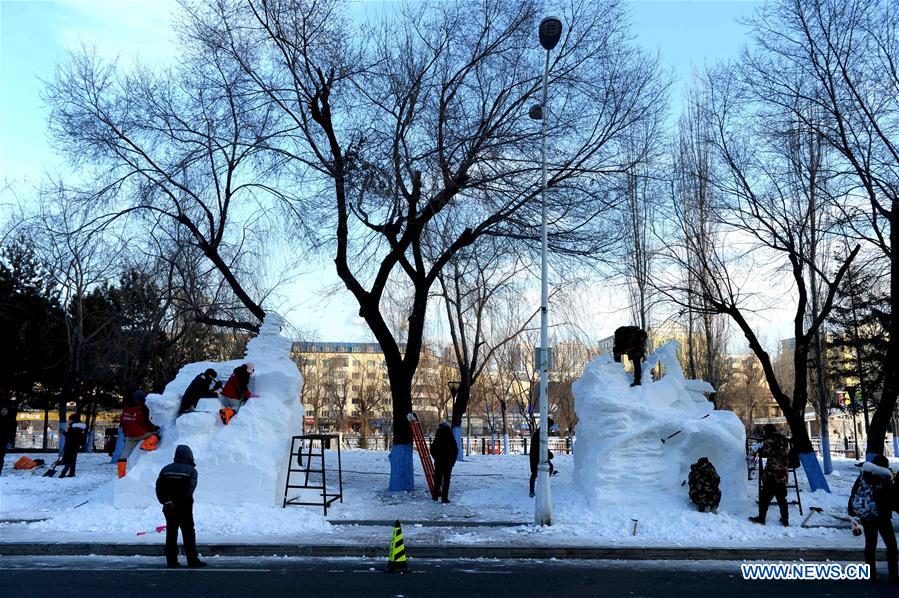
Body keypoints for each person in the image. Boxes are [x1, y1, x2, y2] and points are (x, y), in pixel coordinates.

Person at [155, 444, 206, 569]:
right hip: (185, 506)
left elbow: (159, 488)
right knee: (188, 532)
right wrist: (180, 501)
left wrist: (166, 501)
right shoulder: (191, 471)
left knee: (171, 533)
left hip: (169, 507)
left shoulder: (165, 469)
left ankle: (171, 561)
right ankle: (192, 560)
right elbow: (189, 490)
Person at [848, 454, 897, 582]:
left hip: (867, 516)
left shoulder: (863, 477)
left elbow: (854, 493)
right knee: (891, 545)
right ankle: (893, 574)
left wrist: (852, 511)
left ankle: (871, 574)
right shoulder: (884, 480)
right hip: (882, 517)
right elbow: (892, 500)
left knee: (870, 545)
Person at [749, 424, 790, 526]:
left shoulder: (769, 440)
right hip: (783, 473)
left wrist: (759, 448)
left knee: (765, 497)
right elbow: (786, 452)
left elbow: (764, 454)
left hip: (772, 473)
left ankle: (761, 518)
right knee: (781, 498)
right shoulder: (784, 439)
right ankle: (785, 519)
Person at [117, 390, 160, 478]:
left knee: (124, 455)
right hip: (141, 434)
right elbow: (146, 423)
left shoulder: (127, 408)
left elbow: (122, 421)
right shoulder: (142, 408)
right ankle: (147, 445)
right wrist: (155, 428)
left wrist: (125, 433)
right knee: (158, 434)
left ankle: (121, 476)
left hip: (129, 435)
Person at [430, 421, 459, 504]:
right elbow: (455, 449)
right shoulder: (450, 434)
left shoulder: (438, 434)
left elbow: (433, 448)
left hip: (439, 461)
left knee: (438, 478)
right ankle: (444, 498)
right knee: (446, 480)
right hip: (448, 461)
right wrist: (453, 461)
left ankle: (435, 496)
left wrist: (436, 457)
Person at [529, 417, 555, 498]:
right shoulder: (542, 432)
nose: (550, 428)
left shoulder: (541, 431)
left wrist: (548, 453)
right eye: (550, 426)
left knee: (545, 469)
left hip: (538, 454)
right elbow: (541, 445)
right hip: (537, 455)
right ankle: (534, 490)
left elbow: (543, 445)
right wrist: (548, 453)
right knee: (535, 472)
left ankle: (536, 488)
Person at [58, 414, 87, 478]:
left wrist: (62, 431)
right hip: (76, 446)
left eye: (70, 419)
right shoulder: (79, 428)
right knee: (73, 460)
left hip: (70, 445)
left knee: (68, 459)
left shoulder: (73, 427)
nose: (69, 421)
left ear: (73, 420)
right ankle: (72, 473)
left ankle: (64, 472)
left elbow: (69, 435)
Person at [0, 396, 18, 475]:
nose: (3, 412)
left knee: (1, 457)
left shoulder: (11, 421)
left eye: (5, 410)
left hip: (4, 440)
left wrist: (11, 439)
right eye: (2, 410)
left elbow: (12, 431)